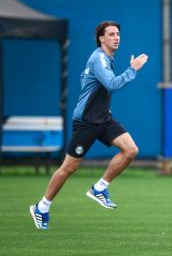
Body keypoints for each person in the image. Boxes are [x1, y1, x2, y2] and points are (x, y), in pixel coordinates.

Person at [29, 21, 148, 230]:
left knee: (130, 150)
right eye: (111, 34)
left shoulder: (107, 58)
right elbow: (112, 84)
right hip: (86, 121)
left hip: (103, 118)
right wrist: (132, 69)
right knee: (69, 168)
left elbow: (93, 85)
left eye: (118, 34)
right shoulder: (99, 58)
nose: (116, 37)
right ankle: (42, 207)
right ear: (101, 38)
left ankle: (99, 188)